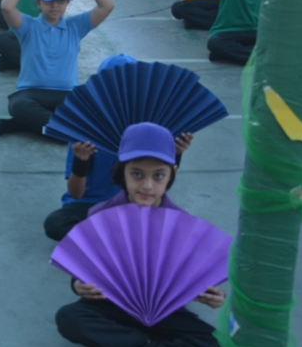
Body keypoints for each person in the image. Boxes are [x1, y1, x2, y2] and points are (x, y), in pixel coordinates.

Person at [55, 122, 225, 347]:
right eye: (136, 174)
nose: (147, 185)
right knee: (69, 318)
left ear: (171, 176)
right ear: (122, 173)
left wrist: (211, 293)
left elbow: (193, 276)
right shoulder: (100, 215)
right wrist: (78, 285)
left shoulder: (182, 223)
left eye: (158, 176)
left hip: (164, 314)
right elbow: (84, 268)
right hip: (111, 306)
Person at [42, 56, 196, 241]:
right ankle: (122, 236)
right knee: (56, 224)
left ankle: (111, 237)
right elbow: (76, 193)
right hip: (90, 205)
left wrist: (175, 154)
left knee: (180, 228)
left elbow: (161, 185)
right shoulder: (83, 127)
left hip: (134, 201)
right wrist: (81, 162)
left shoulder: (150, 127)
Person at [0, 0, 115, 137]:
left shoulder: (75, 26)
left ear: (67, 2)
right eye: (49, 0)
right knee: (19, 106)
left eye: (61, 0)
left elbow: (107, 6)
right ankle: (65, 131)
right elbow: (7, 7)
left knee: (94, 109)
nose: (55, 5)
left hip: (67, 94)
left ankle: (33, 126)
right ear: (39, 2)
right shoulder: (28, 26)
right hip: (32, 93)